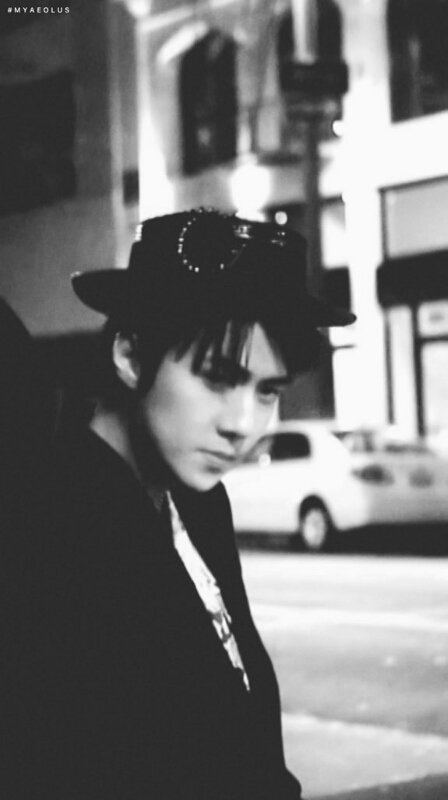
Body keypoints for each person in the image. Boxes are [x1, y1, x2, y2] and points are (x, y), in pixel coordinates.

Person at [2, 208, 355, 799]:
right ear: (131, 356)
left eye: (267, 390)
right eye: (217, 378)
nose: (243, 424)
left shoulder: (201, 503)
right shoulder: (50, 528)